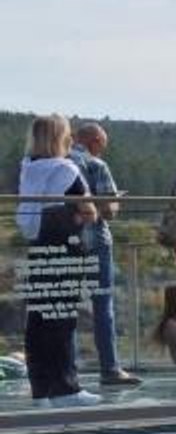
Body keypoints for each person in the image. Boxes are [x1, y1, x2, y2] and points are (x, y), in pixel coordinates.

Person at [15, 114, 103, 407]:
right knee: (63, 319)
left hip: (39, 246)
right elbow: (89, 211)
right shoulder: (67, 169)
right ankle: (67, 389)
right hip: (66, 249)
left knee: (38, 320)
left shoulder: (28, 167)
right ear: (61, 138)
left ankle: (41, 391)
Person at [69, 122, 141, 386]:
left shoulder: (59, 161)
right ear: (96, 142)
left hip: (65, 240)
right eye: (103, 145)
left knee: (66, 305)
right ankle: (109, 369)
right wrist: (115, 200)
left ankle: (69, 369)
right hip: (95, 240)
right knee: (102, 305)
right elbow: (108, 211)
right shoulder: (96, 165)